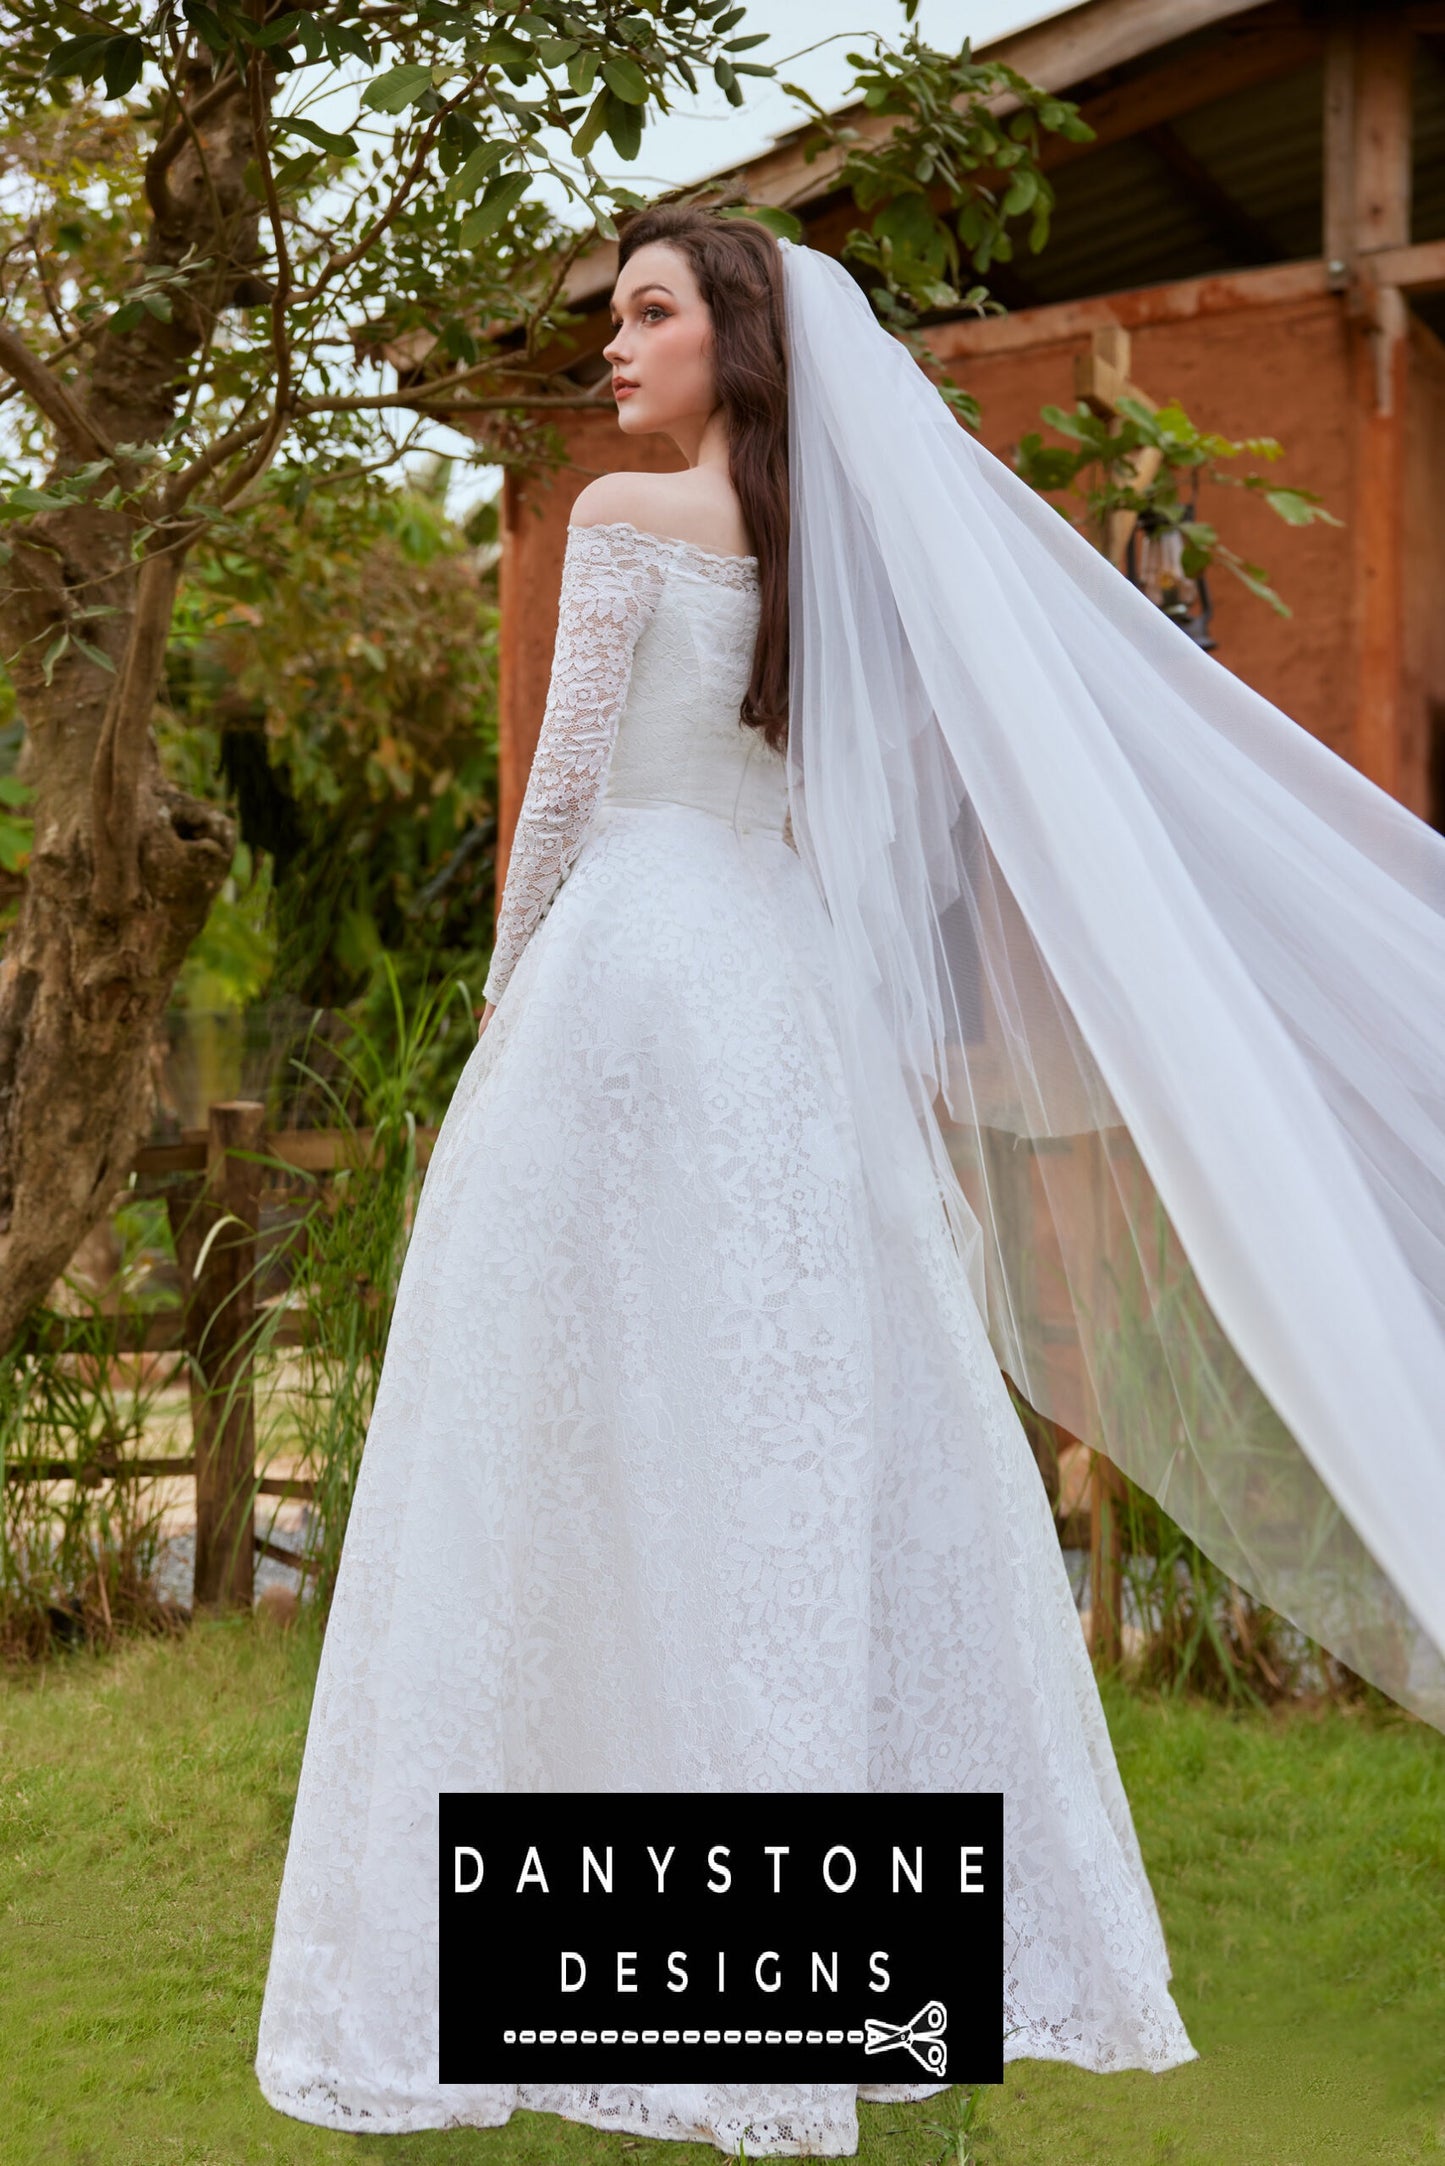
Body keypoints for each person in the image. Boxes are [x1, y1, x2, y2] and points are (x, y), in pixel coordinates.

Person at [255, 203, 1445, 2154]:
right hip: (781, 993)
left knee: (587, 1432)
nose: (612, 349)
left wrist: (495, 1029)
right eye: (609, 317)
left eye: (647, 315)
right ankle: (814, 1950)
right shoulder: (843, 561)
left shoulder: (624, 528)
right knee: (787, 1444)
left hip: (634, 986)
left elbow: (559, 797)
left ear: (733, 334)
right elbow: (858, 824)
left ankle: (583, 1913)